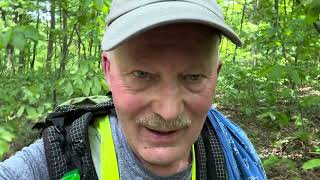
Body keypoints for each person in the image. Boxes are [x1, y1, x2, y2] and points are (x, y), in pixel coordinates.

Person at [0, 0, 266, 179]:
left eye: (194, 77)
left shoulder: (232, 152)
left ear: (215, 75)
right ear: (108, 70)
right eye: (142, 75)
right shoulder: (61, 156)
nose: (168, 111)